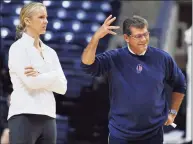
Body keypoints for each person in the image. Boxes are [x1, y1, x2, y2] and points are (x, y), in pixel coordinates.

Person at [81, 15, 186, 144]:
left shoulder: (162, 58)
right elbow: (87, 64)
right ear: (126, 38)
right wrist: (96, 38)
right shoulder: (115, 57)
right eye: (138, 36)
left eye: (146, 34)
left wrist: (173, 112)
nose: (144, 40)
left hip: (153, 135)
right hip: (120, 135)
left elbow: (180, 84)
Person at [8, 2, 67, 144]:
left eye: (46, 17)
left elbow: (62, 87)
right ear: (27, 21)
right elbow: (32, 82)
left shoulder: (50, 52)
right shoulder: (18, 48)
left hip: (49, 116)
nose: (46, 21)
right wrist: (53, 75)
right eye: (41, 17)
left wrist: (40, 73)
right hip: (24, 114)